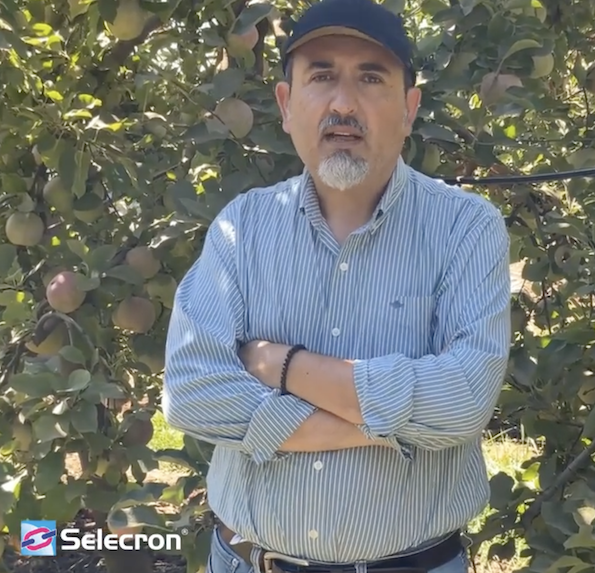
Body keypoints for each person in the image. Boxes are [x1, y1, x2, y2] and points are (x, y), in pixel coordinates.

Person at [160, 0, 512, 571]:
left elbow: (463, 402)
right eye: (322, 76)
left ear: (409, 108)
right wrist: (386, 427)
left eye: (370, 78)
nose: (343, 103)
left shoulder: (465, 228)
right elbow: (193, 395)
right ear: (286, 105)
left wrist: (282, 365)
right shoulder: (241, 228)